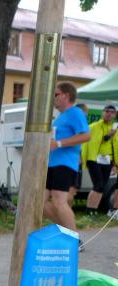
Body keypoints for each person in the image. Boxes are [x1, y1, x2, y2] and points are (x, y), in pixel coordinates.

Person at [44, 82, 90, 239]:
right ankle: (67, 233)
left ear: (66, 96)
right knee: (39, 203)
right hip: (51, 164)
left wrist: (58, 143)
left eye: (56, 94)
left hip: (65, 164)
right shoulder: (60, 117)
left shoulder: (75, 112)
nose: (53, 98)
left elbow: (86, 135)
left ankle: (74, 239)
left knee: (59, 201)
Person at [81, 105, 117, 216]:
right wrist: (108, 136)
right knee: (98, 184)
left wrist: (115, 163)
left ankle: (94, 210)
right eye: (107, 111)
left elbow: (115, 146)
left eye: (112, 112)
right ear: (103, 113)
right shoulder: (93, 127)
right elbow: (87, 144)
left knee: (102, 186)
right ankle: (89, 210)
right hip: (94, 159)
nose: (109, 114)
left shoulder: (114, 128)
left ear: (115, 115)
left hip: (108, 160)